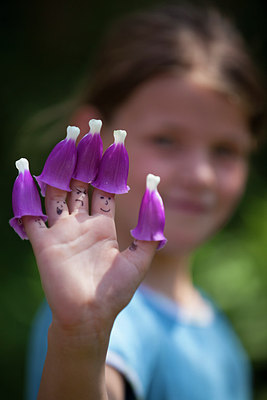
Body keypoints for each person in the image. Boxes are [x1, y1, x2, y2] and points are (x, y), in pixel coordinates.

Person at [23, 4, 265, 400]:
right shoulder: (98, 314)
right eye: (166, 140)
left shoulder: (215, 328)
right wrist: (82, 340)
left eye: (225, 149)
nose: (201, 175)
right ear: (92, 135)